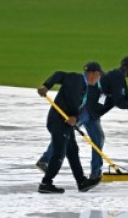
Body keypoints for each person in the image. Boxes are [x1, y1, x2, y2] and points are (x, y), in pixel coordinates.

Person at [36, 62, 103, 194]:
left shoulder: (84, 86)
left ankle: (81, 182)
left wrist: (75, 118)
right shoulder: (75, 79)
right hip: (58, 121)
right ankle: (46, 183)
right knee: (59, 154)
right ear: (93, 74)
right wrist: (46, 86)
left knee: (73, 152)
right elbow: (58, 75)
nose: (99, 78)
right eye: (99, 75)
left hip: (65, 123)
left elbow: (78, 106)